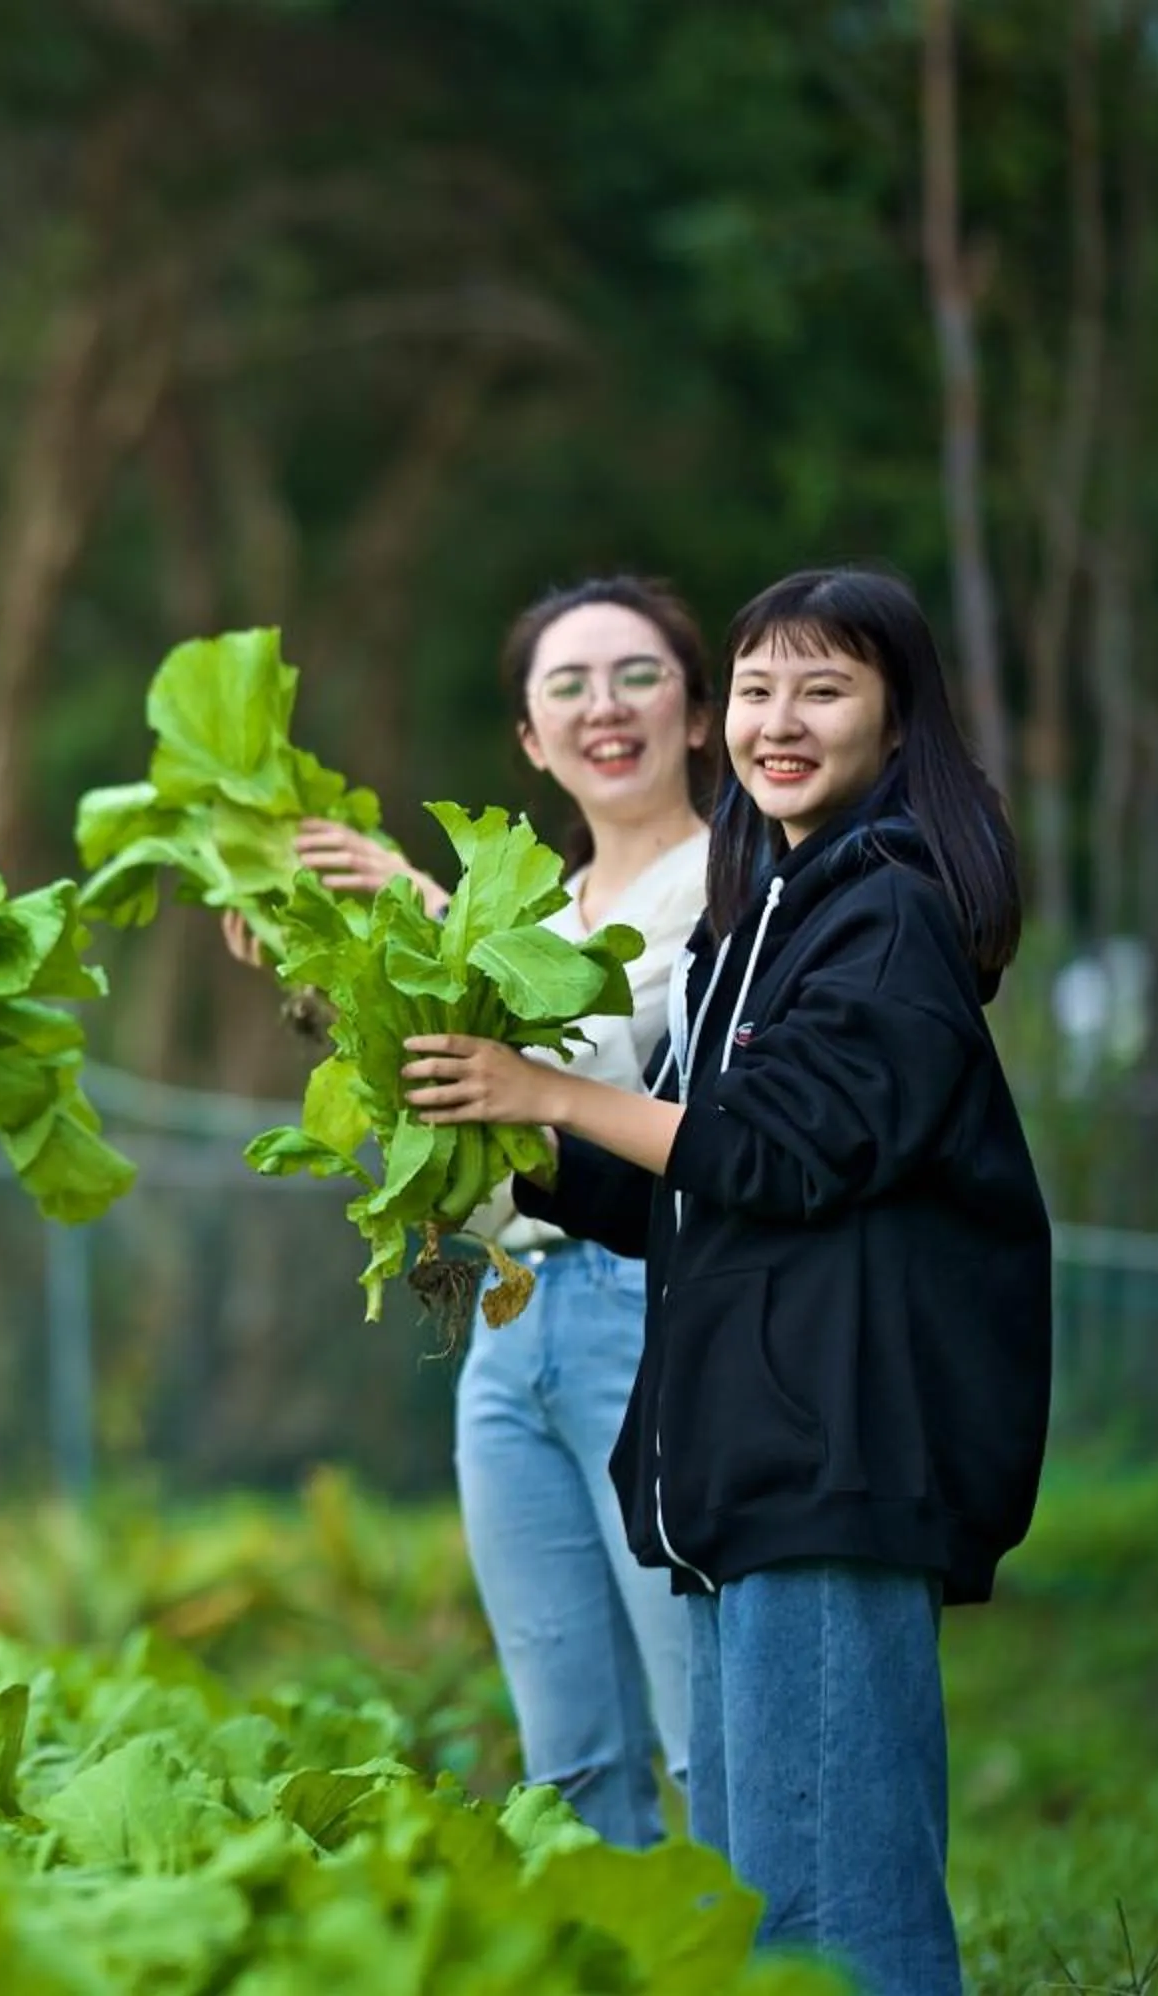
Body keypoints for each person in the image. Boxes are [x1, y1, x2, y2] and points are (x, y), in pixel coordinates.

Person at [401, 565, 1052, 1996]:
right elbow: (682, 1183)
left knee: (837, 1908)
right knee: (768, 1896)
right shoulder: (756, 922)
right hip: (744, 1460)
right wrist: (513, 1142)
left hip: (834, 1448)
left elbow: (792, 1145)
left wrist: (553, 1093)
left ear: (898, 720)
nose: (779, 722)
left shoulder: (889, 912)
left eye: (824, 691)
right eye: (761, 689)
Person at [238, 579, 719, 1848]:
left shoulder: (731, 887)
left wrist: (430, 908)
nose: (603, 706)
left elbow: (608, 1069)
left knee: (704, 1725)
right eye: (568, 686)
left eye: (637, 675)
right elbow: (452, 1094)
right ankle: (619, 1942)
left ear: (698, 715)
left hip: (653, 1310)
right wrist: (327, 958)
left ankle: (767, 1946)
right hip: (511, 1322)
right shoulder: (536, 908)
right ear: (530, 739)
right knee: (570, 1755)